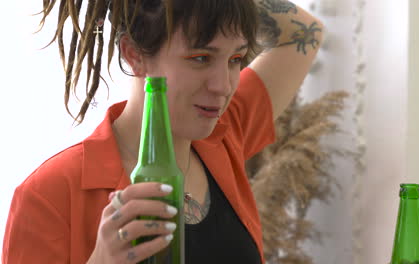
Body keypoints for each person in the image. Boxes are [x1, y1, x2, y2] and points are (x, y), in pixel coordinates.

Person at [2, 0, 322, 263]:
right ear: (134, 54)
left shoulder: (224, 134)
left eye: (235, 59)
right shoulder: (50, 196)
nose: (223, 86)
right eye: (200, 58)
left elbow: (304, 33)